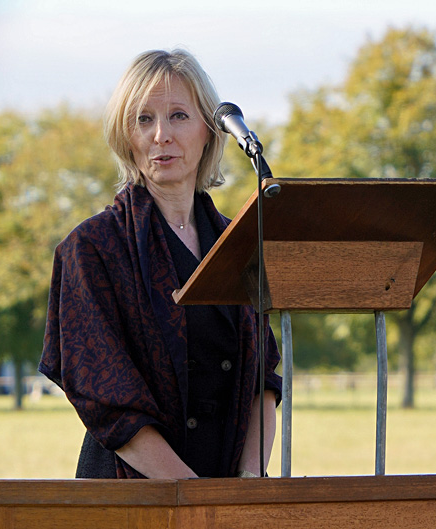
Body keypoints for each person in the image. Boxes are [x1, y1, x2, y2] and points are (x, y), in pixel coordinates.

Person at [39, 48, 280, 479]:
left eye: (179, 116)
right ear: (124, 136)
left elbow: (263, 379)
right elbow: (109, 399)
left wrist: (249, 483)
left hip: (225, 497)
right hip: (130, 497)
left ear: (209, 130)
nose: (160, 135)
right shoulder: (90, 249)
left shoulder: (238, 243)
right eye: (143, 119)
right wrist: (191, 496)